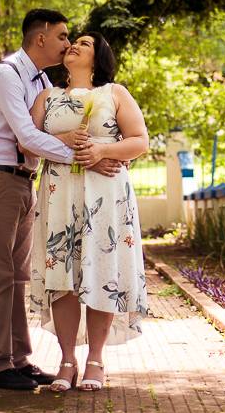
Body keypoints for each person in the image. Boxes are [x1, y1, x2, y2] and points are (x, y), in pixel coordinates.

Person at [0, 9, 120, 391]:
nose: (68, 44)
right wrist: (81, 156)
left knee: (18, 276)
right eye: (63, 37)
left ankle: (19, 361)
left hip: (25, 184)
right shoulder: (7, 75)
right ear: (41, 39)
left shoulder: (39, 80)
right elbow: (25, 135)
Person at [27, 32, 150, 392]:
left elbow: (140, 141)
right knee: (62, 274)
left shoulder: (115, 93)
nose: (74, 46)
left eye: (84, 43)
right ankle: (67, 361)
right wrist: (62, 143)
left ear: (97, 58)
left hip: (106, 198)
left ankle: (96, 360)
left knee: (101, 271)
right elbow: (27, 139)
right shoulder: (47, 96)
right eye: (73, 41)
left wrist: (100, 152)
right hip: (58, 193)